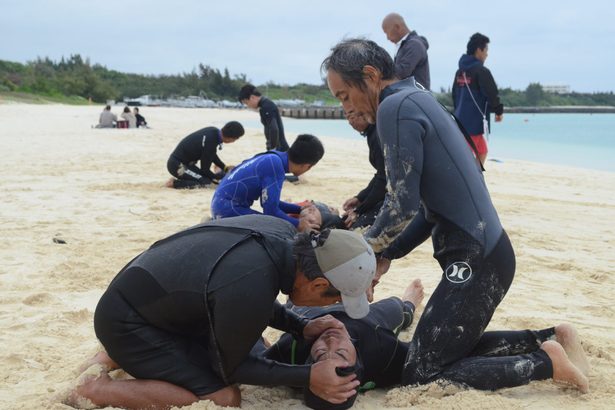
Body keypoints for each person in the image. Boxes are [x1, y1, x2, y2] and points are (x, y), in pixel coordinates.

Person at [321, 38, 589, 393]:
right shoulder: (414, 96)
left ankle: (545, 363)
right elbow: (426, 210)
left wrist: (362, 256)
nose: (345, 106)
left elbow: (401, 205)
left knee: (422, 373)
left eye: (343, 95)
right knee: (431, 350)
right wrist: (386, 253)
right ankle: (549, 339)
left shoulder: (393, 108)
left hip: (477, 257)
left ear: (369, 76)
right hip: (485, 250)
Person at [65, 216, 377, 409]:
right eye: (333, 297)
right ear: (318, 282)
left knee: (237, 335)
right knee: (225, 397)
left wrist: (299, 326)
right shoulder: (252, 284)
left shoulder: (280, 235)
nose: (328, 305)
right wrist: (308, 375)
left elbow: (236, 294)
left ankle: (112, 355)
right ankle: (97, 389)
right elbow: (233, 368)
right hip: (129, 322)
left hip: (145, 299)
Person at [261, 280, 589, 410]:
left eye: (321, 353)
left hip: (330, 310)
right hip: (371, 328)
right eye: (341, 353)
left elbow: (257, 359)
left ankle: (548, 346)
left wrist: (408, 302)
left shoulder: (293, 346)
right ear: (359, 374)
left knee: (403, 311)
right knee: (430, 358)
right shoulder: (378, 353)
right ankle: (548, 343)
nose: (329, 343)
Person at [211, 134, 324, 232]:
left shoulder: (274, 157)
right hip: (227, 209)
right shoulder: (275, 166)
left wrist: (298, 209)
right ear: (307, 165)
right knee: (275, 230)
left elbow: (270, 202)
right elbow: (270, 211)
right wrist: (298, 224)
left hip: (219, 203)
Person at [453, 32, 504, 165]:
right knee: (472, 156)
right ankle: (473, 180)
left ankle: (474, 178)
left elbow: (455, 96)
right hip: (472, 123)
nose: (487, 54)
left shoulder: (460, 72)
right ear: (478, 50)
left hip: (460, 121)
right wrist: (498, 111)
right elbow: (492, 93)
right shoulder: (481, 71)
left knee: (480, 151)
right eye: (486, 50)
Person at [166, 121, 244, 189]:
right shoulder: (210, 142)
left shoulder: (214, 131)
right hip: (177, 166)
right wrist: (217, 178)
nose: (234, 141)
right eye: (236, 139)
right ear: (231, 138)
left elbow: (212, 154)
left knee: (207, 179)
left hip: (186, 165)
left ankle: (217, 172)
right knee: (206, 183)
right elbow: (205, 170)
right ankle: (174, 183)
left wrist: (224, 168)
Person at [341, 113, 386, 229]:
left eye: (352, 117)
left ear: (365, 114)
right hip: (390, 188)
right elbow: (381, 175)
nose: (350, 122)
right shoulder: (372, 133)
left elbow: (384, 179)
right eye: (347, 118)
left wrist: (359, 210)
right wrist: (360, 198)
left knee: (357, 225)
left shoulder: (377, 135)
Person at [381, 13, 430, 90]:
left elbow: (401, 73)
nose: (387, 38)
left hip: (415, 97)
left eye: (386, 32)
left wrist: (379, 69)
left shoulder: (414, 45)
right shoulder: (406, 45)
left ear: (397, 27)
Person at [238, 84, 290, 152]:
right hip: (277, 147)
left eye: (246, 103)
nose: (248, 106)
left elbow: (274, 129)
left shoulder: (266, 107)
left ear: (252, 97)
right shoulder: (265, 105)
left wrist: (272, 149)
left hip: (279, 148)